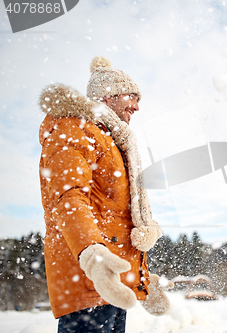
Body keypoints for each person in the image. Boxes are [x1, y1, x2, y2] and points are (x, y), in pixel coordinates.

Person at [38, 56, 171, 333]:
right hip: (88, 280)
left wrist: (142, 278)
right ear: (107, 96)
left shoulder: (111, 141)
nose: (136, 106)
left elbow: (117, 221)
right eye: (131, 96)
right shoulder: (74, 129)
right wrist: (93, 259)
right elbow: (69, 199)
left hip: (112, 285)